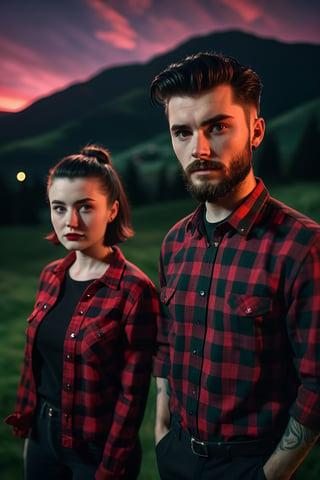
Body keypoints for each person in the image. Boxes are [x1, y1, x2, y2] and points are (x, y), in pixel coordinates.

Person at [150, 52, 320, 479]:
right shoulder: (174, 243)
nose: (199, 149)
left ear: (256, 131)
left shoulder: (303, 246)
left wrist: (271, 475)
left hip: (251, 466)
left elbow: (318, 383)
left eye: (218, 127)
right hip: (175, 455)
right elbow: (167, 344)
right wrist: (162, 429)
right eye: (182, 132)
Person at [5, 145, 159, 479]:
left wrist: (111, 466)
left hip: (96, 451)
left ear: (112, 210)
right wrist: (33, 432)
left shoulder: (134, 290)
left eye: (85, 207)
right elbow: (38, 367)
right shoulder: (51, 276)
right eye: (58, 208)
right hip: (42, 437)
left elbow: (132, 396)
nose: (70, 221)